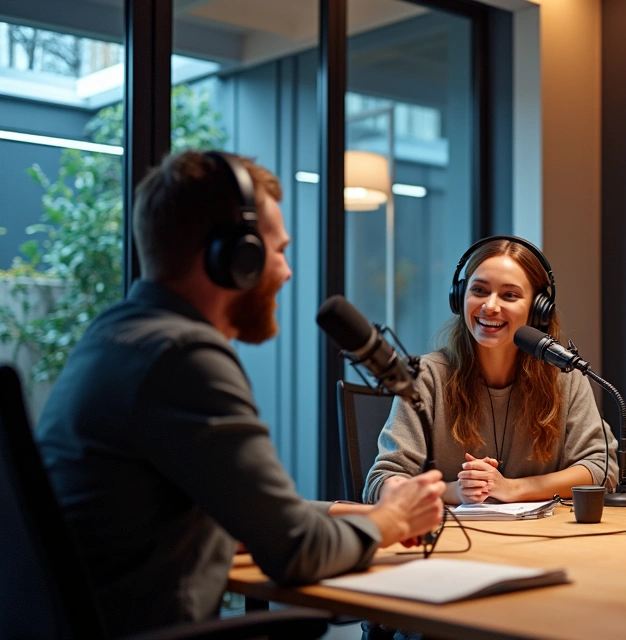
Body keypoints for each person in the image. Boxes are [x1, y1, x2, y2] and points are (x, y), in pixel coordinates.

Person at [36, 151, 446, 636]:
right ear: (238, 257)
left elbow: (258, 514)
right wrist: (391, 523)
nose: (288, 272)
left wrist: (359, 512)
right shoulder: (185, 358)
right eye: (279, 251)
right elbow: (296, 550)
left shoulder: (115, 337)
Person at [364, 236, 618, 505]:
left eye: (509, 295)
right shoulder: (426, 376)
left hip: (542, 541)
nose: (490, 306)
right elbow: (383, 481)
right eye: (480, 291)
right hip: (452, 540)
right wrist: (455, 491)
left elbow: (603, 469)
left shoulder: (564, 377)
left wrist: (512, 488)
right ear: (460, 297)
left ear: (537, 310)